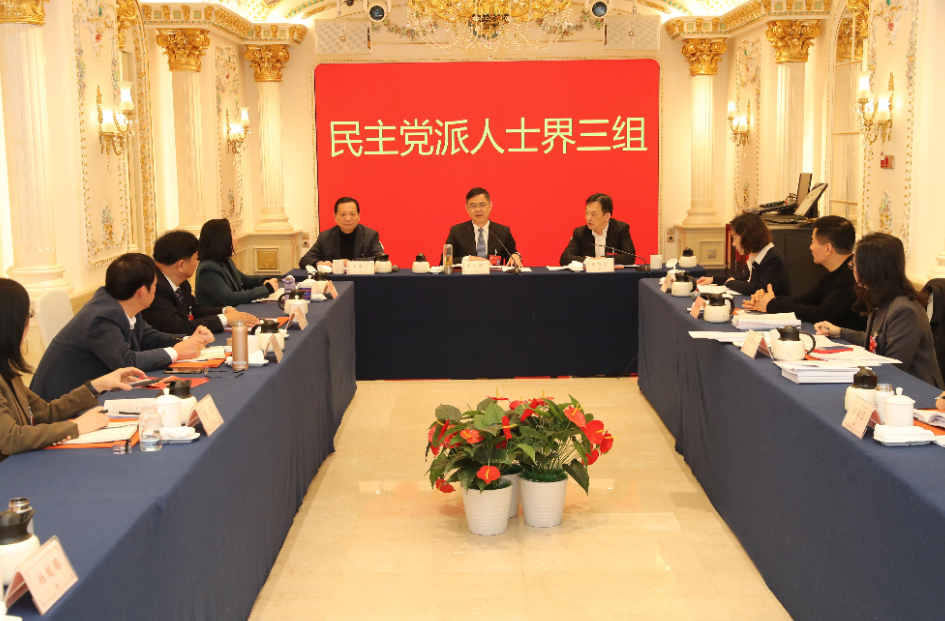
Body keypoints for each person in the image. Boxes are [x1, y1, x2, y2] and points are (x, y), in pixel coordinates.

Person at [0, 279, 148, 462]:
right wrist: (75, 427)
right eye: (28, 316)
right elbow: (10, 439)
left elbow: (46, 413)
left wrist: (97, 385)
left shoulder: (6, 367)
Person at [30, 253, 209, 401]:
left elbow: (150, 337)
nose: (156, 289)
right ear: (141, 292)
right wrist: (176, 352)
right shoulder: (101, 318)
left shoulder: (126, 304)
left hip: (92, 394)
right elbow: (127, 362)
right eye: (155, 285)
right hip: (59, 405)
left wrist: (190, 340)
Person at [815, 232, 944, 388]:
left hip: (917, 392)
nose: (852, 269)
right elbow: (876, 341)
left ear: (871, 268)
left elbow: (894, 367)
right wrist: (840, 332)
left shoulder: (904, 310)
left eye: (854, 264)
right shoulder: (882, 299)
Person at [742, 215, 866, 330]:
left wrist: (772, 305)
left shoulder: (852, 276)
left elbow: (823, 314)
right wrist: (769, 299)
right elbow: (807, 300)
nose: (810, 247)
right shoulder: (835, 271)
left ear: (827, 248)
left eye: (813, 242)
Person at [144, 229, 258, 334]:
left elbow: (196, 311)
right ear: (181, 265)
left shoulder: (181, 283)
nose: (198, 262)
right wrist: (225, 319)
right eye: (196, 258)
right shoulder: (154, 288)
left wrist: (225, 310)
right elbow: (179, 328)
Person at [697, 212, 790, 297]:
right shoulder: (758, 256)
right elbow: (745, 279)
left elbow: (760, 288)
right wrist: (714, 279)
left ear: (747, 237)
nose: (733, 244)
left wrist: (730, 283)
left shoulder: (773, 259)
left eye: (735, 238)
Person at [194, 219, 279, 307]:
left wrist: (264, 280)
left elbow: (243, 279)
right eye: (233, 234)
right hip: (219, 315)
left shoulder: (224, 259)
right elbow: (229, 298)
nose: (236, 238)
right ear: (223, 239)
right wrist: (266, 289)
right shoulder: (208, 269)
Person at [444, 187, 522, 267]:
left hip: (495, 275)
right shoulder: (457, 232)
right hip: (467, 275)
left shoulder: (503, 232)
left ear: (490, 206)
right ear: (467, 208)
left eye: (482, 205)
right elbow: (444, 261)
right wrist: (468, 259)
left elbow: (512, 254)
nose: (478, 210)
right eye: (473, 206)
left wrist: (516, 256)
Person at [299, 197, 384, 269]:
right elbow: (304, 260)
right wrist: (319, 263)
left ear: (359, 216)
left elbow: (381, 259)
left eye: (352, 214)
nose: (348, 219)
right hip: (334, 280)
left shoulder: (370, 235)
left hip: (361, 279)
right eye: (343, 215)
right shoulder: (325, 237)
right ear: (335, 217)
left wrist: (351, 263)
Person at [559, 193, 636, 266]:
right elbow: (565, 258)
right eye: (586, 213)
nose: (588, 218)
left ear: (607, 216)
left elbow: (630, 257)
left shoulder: (620, 229)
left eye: (593, 214)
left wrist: (603, 260)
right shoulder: (580, 233)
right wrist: (589, 260)